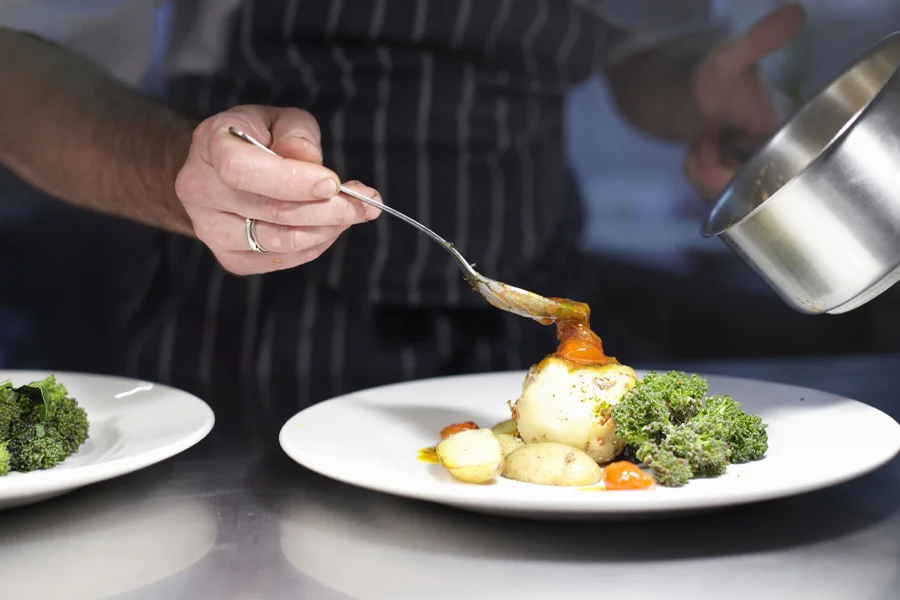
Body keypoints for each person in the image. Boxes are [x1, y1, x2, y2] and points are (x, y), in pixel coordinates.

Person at [0, 1, 805, 422]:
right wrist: (179, 168)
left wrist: (696, 86)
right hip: (249, 321)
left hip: (525, 305)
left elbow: (647, 48)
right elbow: (16, 64)